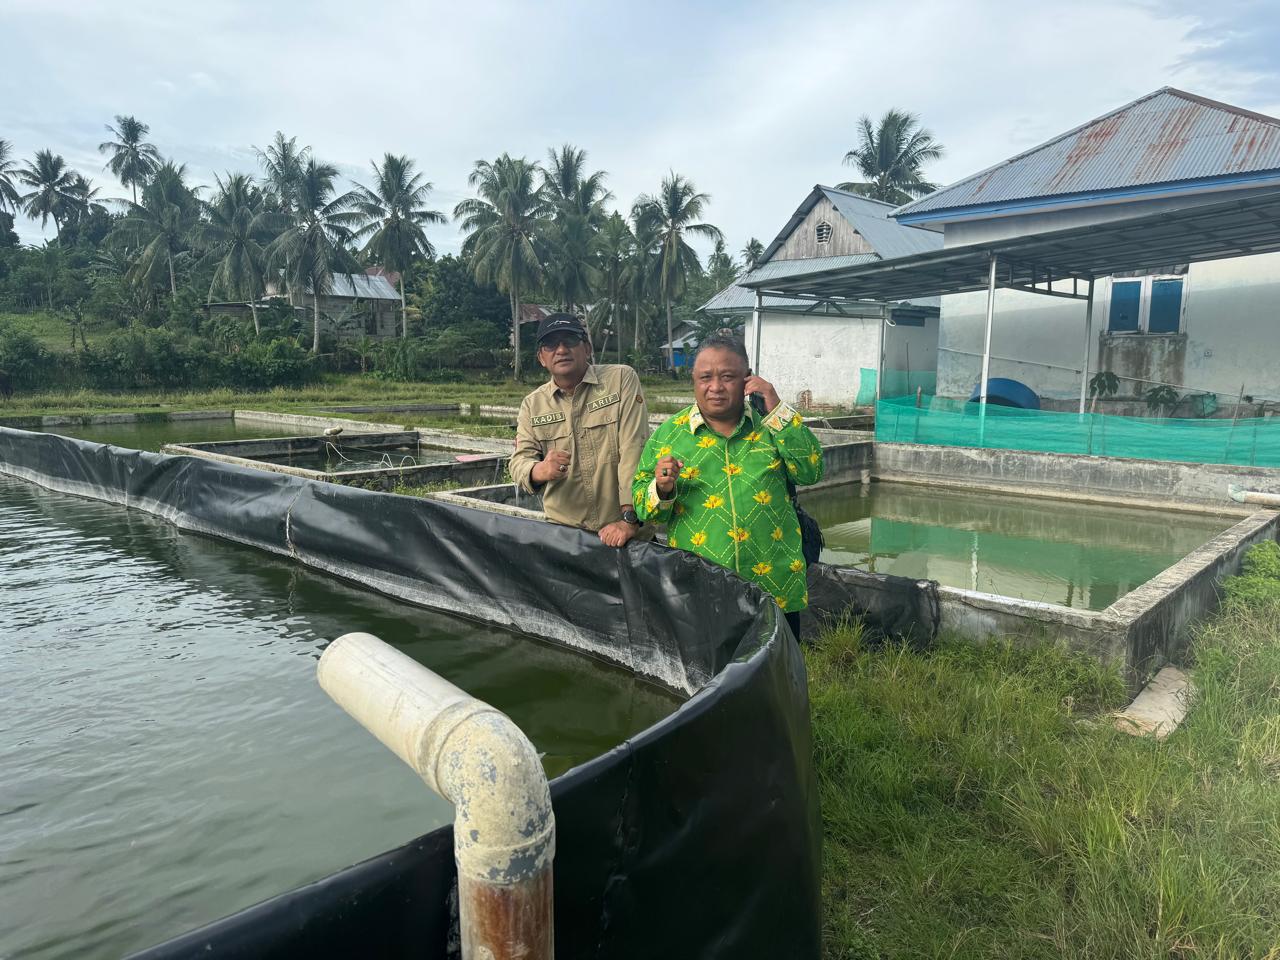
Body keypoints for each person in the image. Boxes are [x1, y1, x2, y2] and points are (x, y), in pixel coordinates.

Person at [632, 333, 824, 640]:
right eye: (705, 377)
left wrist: (776, 409)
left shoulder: (771, 424)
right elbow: (643, 505)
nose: (716, 387)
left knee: (776, 678)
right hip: (700, 591)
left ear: (747, 380)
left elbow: (811, 470)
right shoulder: (669, 434)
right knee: (710, 679)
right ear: (693, 381)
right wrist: (662, 488)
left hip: (774, 585)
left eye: (728, 377)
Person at [511, 313, 650, 548]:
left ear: (586, 348)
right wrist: (538, 469)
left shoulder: (620, 380)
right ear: (541, 358)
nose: (561, 349)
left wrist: (629, 519)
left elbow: (633, 448)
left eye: (570, 340)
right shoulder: (532, 405)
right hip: (566, 540)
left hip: (625, 535)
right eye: (551, 344)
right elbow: (519, 460)